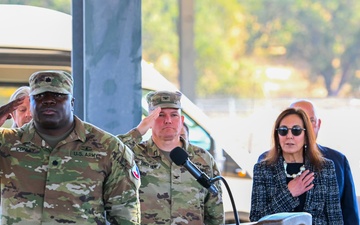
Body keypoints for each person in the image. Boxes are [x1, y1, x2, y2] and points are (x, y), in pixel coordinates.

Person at [0, 70, 141, 224]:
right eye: (39, 96)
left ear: (72, 103)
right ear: (31, 103)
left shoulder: (108, 147)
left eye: (58, 95)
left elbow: (125, 214)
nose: (48, 100)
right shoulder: (6, 143)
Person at [118, 90, 224, 225]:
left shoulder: (202, 158)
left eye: (174, 115)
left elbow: (215, 210)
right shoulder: (133, 155)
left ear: (182, 120)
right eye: (160, 115)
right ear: (149, 120)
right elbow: (107, 154)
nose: (168, 120)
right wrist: (138, 132)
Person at [258, 99, 359, 225]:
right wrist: (289, 194)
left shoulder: (335, 161)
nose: (292, 134)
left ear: (318, 124)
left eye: (309, 121)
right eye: (287, 128)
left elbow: (348, 214)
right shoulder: (266, 162)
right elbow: (259, 217)